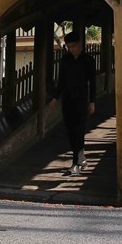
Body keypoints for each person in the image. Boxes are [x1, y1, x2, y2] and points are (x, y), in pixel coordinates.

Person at [50, 31, 97, 176]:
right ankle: (81, 159)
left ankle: (76, 163)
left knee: (79, 131)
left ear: (80, 44)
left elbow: (93, 82)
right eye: (69, 47)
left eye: (73, 46)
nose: (71, 49)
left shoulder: (88, 60)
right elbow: (61, 81)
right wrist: (55, 98)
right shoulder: (65, 60)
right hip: (68, 100)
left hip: (81, 100)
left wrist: (92, 101)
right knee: (70, 131)